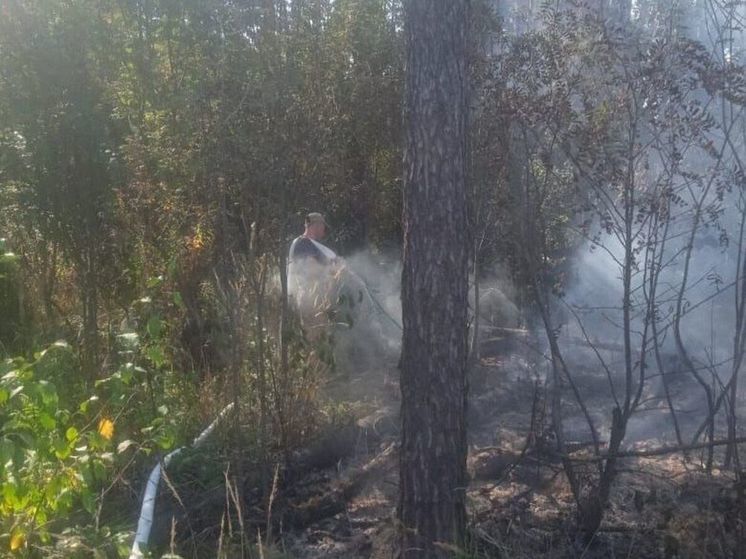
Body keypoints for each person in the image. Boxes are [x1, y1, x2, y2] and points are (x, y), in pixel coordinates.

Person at [288, 212, 339, 341]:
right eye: (322, 226)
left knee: (319, 336)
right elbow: (311, 268)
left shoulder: (306, 243)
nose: (324, 230)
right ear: (315, 226)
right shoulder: (303, 243)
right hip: (310, 299)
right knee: (315, 337)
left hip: (315, 298)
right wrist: (335, 271)